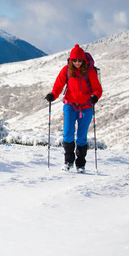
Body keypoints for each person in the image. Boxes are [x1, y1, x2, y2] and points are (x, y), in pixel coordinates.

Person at [45, 44, 102, 173]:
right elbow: (58, 85)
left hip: (86, 107)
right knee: (68, 133)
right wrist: (53, 95)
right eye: (74, 60)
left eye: (80, 60)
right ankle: (68, 161)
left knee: (82, 136)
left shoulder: (90, 71)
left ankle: (80, 164)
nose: (77, 63)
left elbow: (98, 88)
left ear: (84, 60)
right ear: (70, 60)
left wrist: (95, 96)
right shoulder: (66, 70)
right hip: (70, 105)